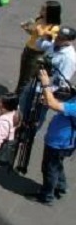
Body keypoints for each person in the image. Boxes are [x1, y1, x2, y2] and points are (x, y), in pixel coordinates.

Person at [35, 68, 75, 205]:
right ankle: (61, 186)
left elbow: (54, 105)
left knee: (49, 168)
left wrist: (46, 85)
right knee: (57, 164)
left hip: (59, 142)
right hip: (65, 141)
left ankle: (47, 195)